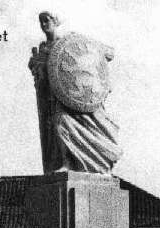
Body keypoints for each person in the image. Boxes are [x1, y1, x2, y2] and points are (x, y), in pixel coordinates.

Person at [28, 11, 122, 174]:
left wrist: (95, 49)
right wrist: (36, 67)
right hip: (56, 99)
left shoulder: (70, 41)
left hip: (78, 99)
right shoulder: (43, 50)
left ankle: (73, 163)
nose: (44, 24)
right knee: (60, 125)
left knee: (62, 123)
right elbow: (42, 80)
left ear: (56, 21)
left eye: (47, 20)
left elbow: (108, 53)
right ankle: (66, 162)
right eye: (41, 21)